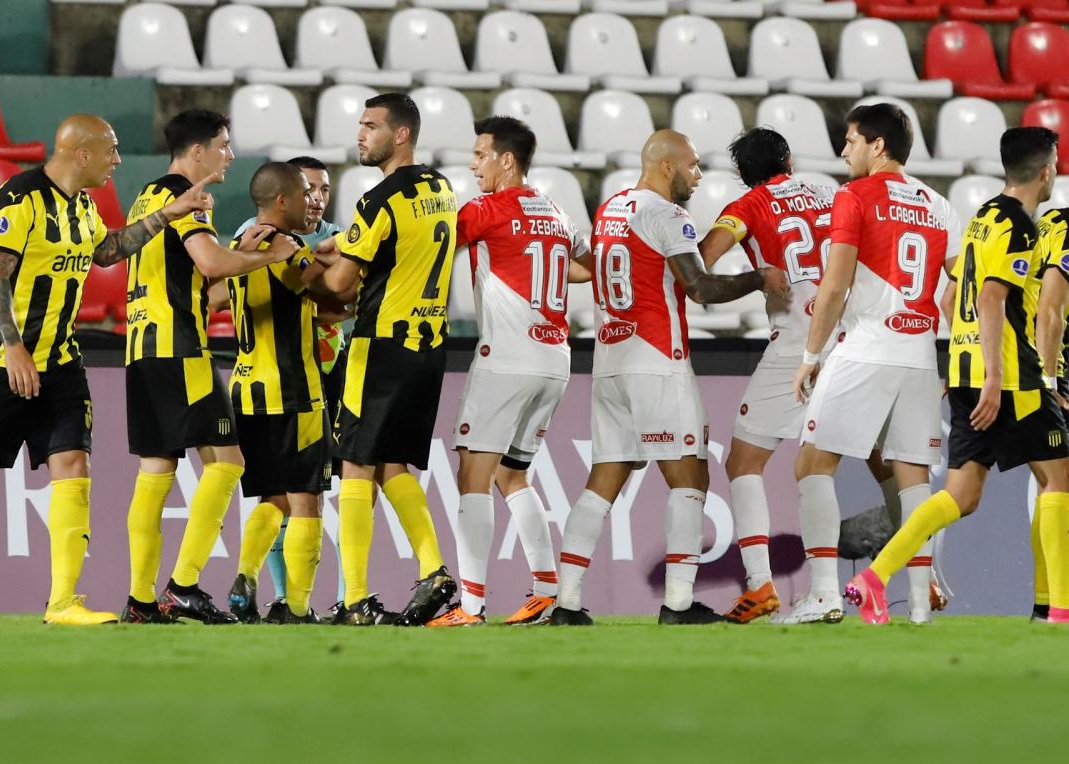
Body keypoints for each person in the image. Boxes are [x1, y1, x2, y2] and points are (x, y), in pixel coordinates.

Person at [0, 115, 214, 626]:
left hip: (60, 360)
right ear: (82, 154)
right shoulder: (19, 199)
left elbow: (107, 251)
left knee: (73, 464)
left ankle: (62, 602)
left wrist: (170, 213)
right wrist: (13, 348)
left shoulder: (83, 206)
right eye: (112, 151)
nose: (117, 162)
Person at [698, 128, 945, 624]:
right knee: (886, 465)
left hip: (799, 341)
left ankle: (763, 586)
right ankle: (927, 578)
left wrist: (755, 279)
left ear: (743, 175)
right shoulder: (834, 192)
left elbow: (703, 262)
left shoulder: (747, 207)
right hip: (856, 337)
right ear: (788, 159)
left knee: (746, 461)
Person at [550, 129, 789, 626]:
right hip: (657, 360)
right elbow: (699, 286)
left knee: (604, 479)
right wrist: (758, 277)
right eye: (693, 166)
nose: (698, 178)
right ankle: (678, 604)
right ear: (666, 167)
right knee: (690, 478)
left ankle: (566, 602)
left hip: (610, 360)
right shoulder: (668, 216)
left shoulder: (611, 208)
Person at [846, 126, 1069, 624]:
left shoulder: (981, 219)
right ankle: (1059, 610)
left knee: (961, 496)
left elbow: (952, 299)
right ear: (1045, 170)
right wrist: (993, 376)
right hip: (1011, 378)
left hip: (967, 372)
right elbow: (991, 298)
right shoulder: (1020, 227)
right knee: (1058, 480)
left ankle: (874, 578)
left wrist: (967, 360)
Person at [120, 110, 300, 624]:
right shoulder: (187, 197)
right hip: (180, 349)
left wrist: (237, 253)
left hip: (142, 348)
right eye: (223, 143)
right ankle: (183, 585)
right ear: (197, 151)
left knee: (155, 469)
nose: (230, 153)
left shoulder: (149, 196)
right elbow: (212, 266)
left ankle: (140, 599)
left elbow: (207, 286)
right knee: (227, 462)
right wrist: (270, 256)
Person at [786, 103, 959, 625]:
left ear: (877, 145)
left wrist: (811, 356)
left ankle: (823, 596)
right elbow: (960, 292)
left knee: (812, 465)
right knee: (912, 480)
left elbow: (835, 285)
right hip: (920, 355)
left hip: (866, 349)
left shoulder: (854, 196)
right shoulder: (938, 204)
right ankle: (920, 603)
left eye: (851, 140)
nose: (844, 151)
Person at [427, 116, 593, 627]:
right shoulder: (556, 211)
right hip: (554, 357)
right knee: (512, 472)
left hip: (506, 357)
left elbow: (432, 249)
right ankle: (546, 588)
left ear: (507, 159)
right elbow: (584, 267)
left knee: (473, 475)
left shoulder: (485, 210)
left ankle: (471, 606)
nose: (472, 164)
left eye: (480, 155)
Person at [308, 93, 458, 626]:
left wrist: (292, 270)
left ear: (401, 135)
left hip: (380, 346)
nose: (360, 134)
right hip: (429, 347)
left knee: (353, 462)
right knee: (392, 463)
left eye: (371, 126)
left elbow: (342, 284)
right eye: (360, 125)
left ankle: (354, 598)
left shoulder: (378, 200)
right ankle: (436, 570)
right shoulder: (441, 188)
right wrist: (335, 251)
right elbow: (387, 251)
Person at [225, 156, 350, 623]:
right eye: (304, 194)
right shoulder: (286, 247)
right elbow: (330, 299)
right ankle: (297, 607)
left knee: (271, 498)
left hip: (246, 390)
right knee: (306, 501)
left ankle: (245, 573)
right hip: (295, 391)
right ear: (282, 200)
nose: (312, 202)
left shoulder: (240, 242)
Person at [1034, 202, 1069, 621]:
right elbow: (1050, 309)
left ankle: (1046, 606)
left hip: (1032, 366)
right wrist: (1049, 379)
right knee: (1057, 485)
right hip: (1053, 371)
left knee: (1052, 488)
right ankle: (1053, 605)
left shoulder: (1046, 221)